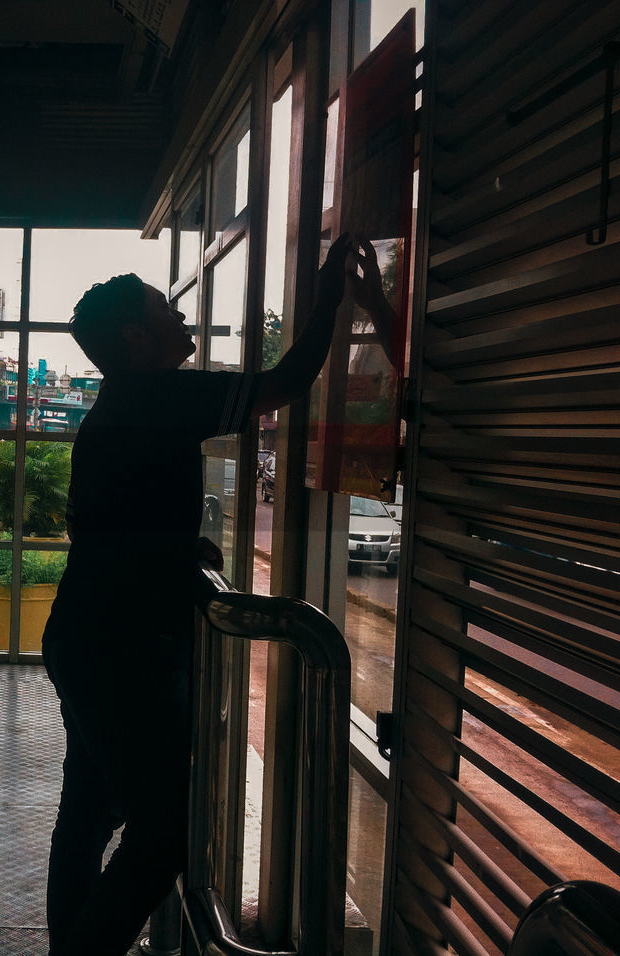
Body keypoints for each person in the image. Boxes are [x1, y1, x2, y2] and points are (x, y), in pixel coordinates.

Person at [40, 233, 381, 955]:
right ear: (138, 336)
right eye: (166, 309)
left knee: (88, 816)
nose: (182, 318)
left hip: (89, 635)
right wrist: (327, 299)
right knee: (165, 832)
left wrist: (173, 545)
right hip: (121, 646)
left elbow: (101, 518)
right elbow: (288, 381)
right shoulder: (155, 393)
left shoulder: (122, 404)